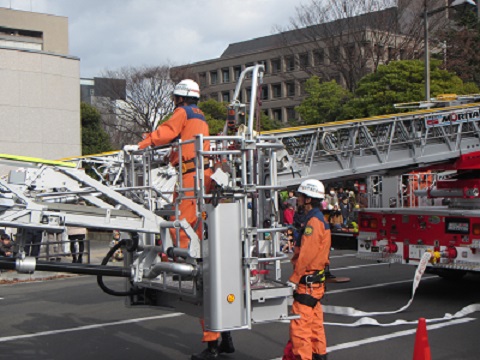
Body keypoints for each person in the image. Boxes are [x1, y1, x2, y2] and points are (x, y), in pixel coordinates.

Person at [136, 79, 231, 360]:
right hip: (200, 175)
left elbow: (166, 132)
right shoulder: (198, 117)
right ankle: (224, 340)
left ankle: (182, 263)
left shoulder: (183, 114)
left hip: (191, 177)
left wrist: (142, 144)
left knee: (181, 227)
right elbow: (180, 142)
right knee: (193, 227)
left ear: (179, 98)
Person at [284, 179, 330, 360]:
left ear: (309, 199)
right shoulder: (318, 220)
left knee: (300, 329)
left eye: (301, 196)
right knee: (315, 327)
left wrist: (294, 278)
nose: (298, 199)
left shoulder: (313, 223)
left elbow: (307, 254)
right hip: (315, 283)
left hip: (307, 283)